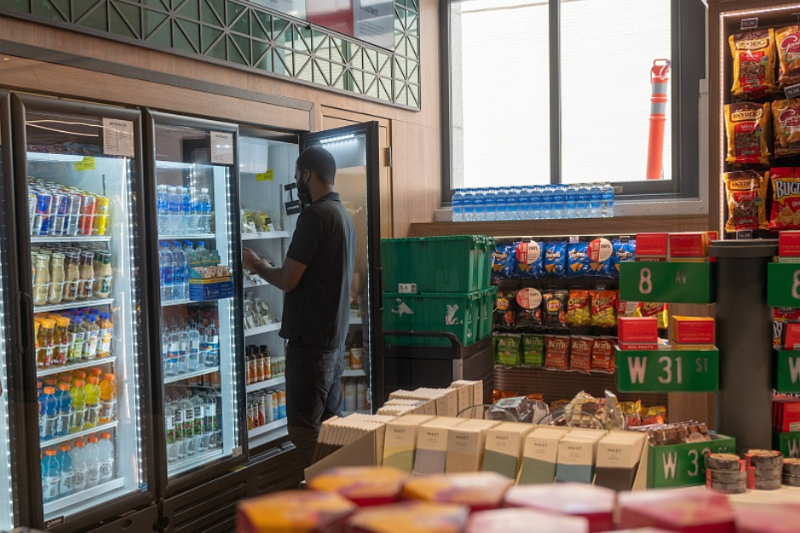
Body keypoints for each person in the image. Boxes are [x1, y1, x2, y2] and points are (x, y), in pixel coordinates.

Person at [242, 145, 356, 467]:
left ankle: (321, 487)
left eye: (296, 177)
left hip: (310, 347)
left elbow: (288, 279)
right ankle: (339, 485)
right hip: (332, 344)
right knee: (331, 425)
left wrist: (256, 264)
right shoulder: (342, 216)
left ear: (307, 175)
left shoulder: (314, 216)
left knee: (303, 430)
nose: (296, 185)